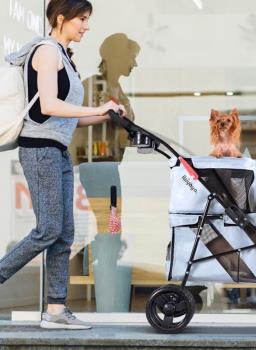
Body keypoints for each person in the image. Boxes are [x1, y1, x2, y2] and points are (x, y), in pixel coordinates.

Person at [0, 0, 126, 330]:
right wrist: (96, 107)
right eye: (81, 19)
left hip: (57, 148)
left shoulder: (66, 58)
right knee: (49, 229)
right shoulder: (46, 51)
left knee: (64, 233)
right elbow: (49, 105)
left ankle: (56, 310)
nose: (86, 26)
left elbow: (66, 120)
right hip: (39, 148)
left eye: (87, 20)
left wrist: (104, 114)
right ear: (61, 18)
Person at [83, 33, 140, 159]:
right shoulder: (94, 86)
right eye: (132, 57)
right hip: (97, 162)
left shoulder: (118, 89)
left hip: (114, 160)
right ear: (118, 57)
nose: (135, 64)